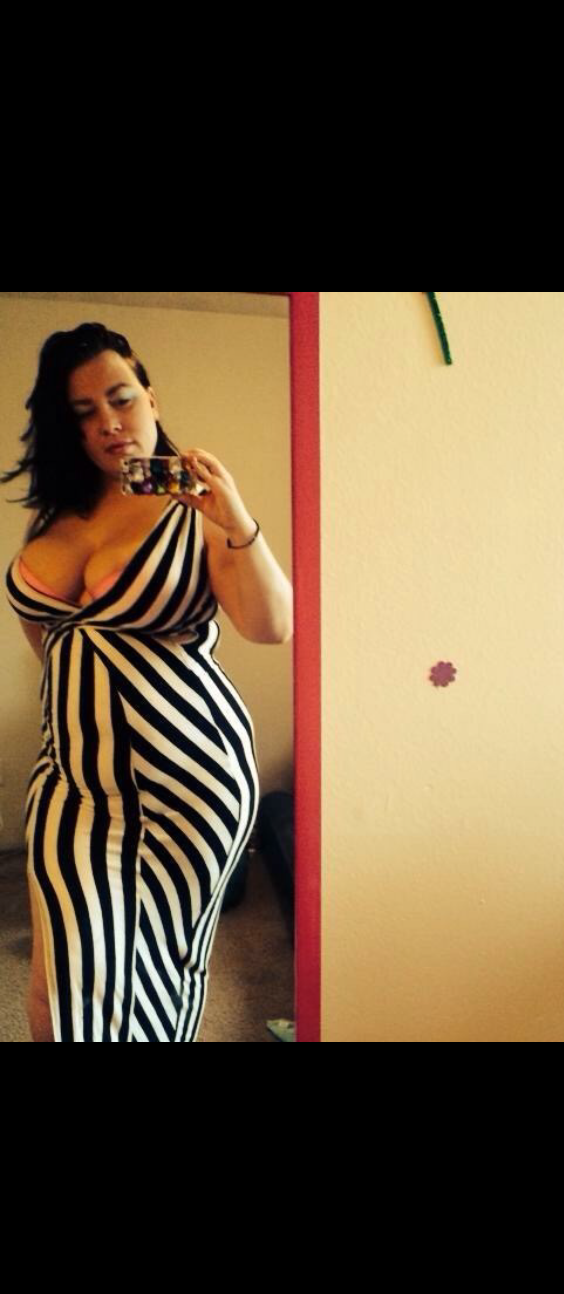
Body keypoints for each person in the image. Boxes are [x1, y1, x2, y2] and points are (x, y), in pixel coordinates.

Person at [2, 322, 293, 1042]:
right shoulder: (58, 517)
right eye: (84, 411)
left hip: (190, 778)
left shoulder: (195, 509)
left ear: (151, 399)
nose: (108, 422)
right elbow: (53, 642)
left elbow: (271, 625)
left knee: (163, 967)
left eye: (121, 399)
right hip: (74, 782)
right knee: (60, 991)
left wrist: (237, 519)